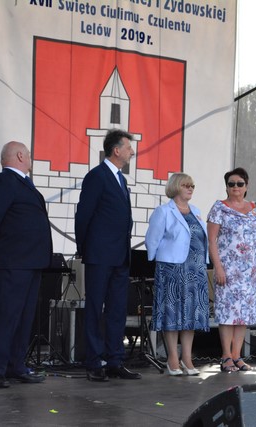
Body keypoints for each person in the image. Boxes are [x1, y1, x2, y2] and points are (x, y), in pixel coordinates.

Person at [0, 140, 52, 388]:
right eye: (28, 154)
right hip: (13, 261)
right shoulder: (4, 181)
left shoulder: (24, 184)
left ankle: (16, 365)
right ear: (20, 156)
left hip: (31, 261)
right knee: (8, 315)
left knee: (24, 317)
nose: (30, 158)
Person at [75, 129, 140, 381]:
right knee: (95, 308)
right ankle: (94, 362)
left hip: (120, 256)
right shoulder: (97, 176)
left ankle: (115, 359)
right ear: (116, 150)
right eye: (128, 148)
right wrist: (84, 248)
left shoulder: (120, 179)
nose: (132, 152)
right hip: (99, 255)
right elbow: (83, 215)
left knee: (117, 309)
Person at [145, 173, 209, 376]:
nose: (190, 188)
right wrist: (159, 260)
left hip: (195, 270)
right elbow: (152, 239)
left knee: (191, 314)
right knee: (172, 313)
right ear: (175, 187)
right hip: (172, 269)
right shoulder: (164, 211)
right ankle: (172, 357)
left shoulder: (196, 211)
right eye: (185, 185)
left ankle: (187, 358)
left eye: (192, 185)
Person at [207, 167, 256, 372]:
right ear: (226, 187)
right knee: (227, 313)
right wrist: (218, 267)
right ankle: (226, 356)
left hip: (249, 272)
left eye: (239, 184)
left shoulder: (255, 209)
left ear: (246, 186)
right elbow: (212, 241)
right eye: (231, 184)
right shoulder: (219, 208)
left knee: (244, 314)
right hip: (228, 269)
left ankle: (237, 356)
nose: (235, 187)